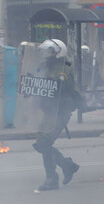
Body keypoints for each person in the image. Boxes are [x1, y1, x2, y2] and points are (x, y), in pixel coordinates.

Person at [31, 39, 80, 191]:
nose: (46, 54)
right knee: (40, 142)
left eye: (50, 51)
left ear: (59, 53)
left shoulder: (63, 69)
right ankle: (67, 165)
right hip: (48, 111)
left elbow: (64, 87)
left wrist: (54, 81)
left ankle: (52, 179)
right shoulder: (44, 66)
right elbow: (35, 79)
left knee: (45, 143)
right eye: (46, 51)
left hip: (61, 111)